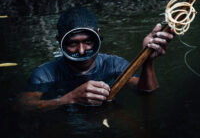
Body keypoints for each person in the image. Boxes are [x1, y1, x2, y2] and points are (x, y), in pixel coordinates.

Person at [17, 7, 173, 111]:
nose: (82, 50)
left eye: (88, 41)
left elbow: (146, 92)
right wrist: (69, 98)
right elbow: (24, 105)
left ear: (98, 35)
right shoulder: (45, 74)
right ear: (59, 41)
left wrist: (147, 60)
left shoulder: (114, 65)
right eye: (73, 43)